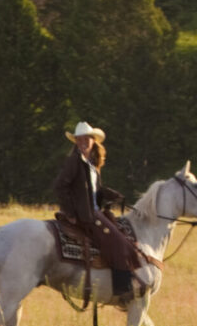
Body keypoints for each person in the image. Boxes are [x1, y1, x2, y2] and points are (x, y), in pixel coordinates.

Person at [51, 121, 143, 302]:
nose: (83, 142)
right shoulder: (75, 161)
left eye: (87, 139)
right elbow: (60, 186)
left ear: (93, 141)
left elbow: (93, 190)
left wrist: (111, 194)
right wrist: (70, 213)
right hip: (86, 215)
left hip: (93, 211)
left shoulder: (91, 163)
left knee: (123, 237)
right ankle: (122, 289)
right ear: (76, 141)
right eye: (80, 139)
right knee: (117, 241)